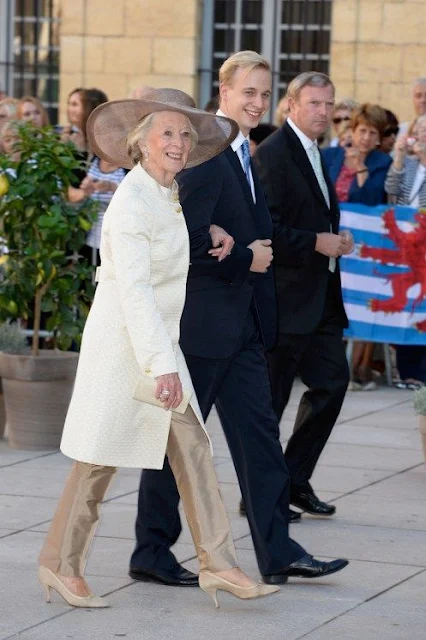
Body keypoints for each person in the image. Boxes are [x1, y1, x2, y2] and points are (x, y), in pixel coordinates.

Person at [38, 88, 280, 609]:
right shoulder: (132, 201)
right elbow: (136, 291)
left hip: (153, 348)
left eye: (184, 133)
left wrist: (212, 229)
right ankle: (60, 567)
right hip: (128, 351)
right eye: (165, 132)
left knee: (193, 450)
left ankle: (220, 564)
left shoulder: (164, 193)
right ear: (141, 142)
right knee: (96, 463)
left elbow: (179, 245)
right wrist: (162, 366)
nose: (177, 141)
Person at [130, 51, 349, 588]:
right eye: (247, 92)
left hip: (244, 329)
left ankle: (278, 552)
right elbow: (183, 242)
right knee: (176, 447)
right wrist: (245, 256)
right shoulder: (204, 156)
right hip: (203, 330)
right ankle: (151, 551)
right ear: (223, 95)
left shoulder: (244, 153)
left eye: (263, 93)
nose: (256, 102)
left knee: (260, 446)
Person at [253, 71, 353, 518]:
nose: (324, 112)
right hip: (285, 302)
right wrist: (316, 241)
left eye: (329, 104)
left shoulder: (316, 152)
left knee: (332, 384)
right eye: (314, 103)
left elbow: (313, 216)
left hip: (320, 300)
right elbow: (266, 229)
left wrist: (335, 238)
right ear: (291, 105)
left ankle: (293, 479)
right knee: (270, 406)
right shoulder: (274, 154)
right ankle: (260, 495)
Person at [323, 103, 392, 390]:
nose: (365, 137)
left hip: (363, 247)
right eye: (361, 130)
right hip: (329, 241)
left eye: (371, 132)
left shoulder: (381, 163)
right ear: (352, 131)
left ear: (378, 138)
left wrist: (361, 170)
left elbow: (372, 201)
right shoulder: (331, 155)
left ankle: (357, 368)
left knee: (360, 304)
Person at [385, 113, 426, 389]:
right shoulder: (408, 165)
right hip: (404, 248)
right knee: (406, 305)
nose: (423, 132)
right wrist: (399, 158)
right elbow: (390, 189)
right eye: (420, 128)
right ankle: (407, 370)